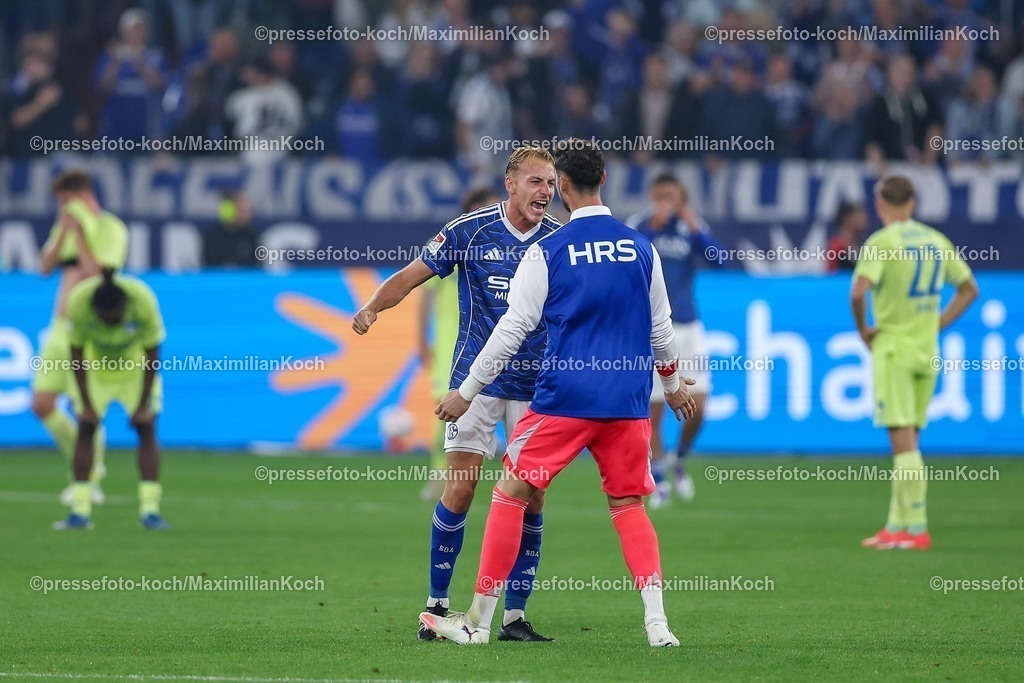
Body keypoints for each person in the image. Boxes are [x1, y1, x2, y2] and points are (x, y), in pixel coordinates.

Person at [422, 138, 697, 647]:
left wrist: (466, 389)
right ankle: (658, 624)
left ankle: (478, 622)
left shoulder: (547, 250)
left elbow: (511, 331)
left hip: (564, 399)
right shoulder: (641, 247)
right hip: (628, 403)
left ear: (564, 187)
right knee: (628, 505)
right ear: (605, 181)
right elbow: (662, 328)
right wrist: (674, 387)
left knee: (510, 492)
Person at [352, 147, 560, 642]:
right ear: (510, 185)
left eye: (550, 183)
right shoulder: (469, 230)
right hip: (474, 386)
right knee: (461, 489)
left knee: (531, 497)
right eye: (535, 182)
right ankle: (437, 604)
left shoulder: (560, 239)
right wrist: (373, 307)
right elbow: (411, 274)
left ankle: (514, 616)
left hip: (535, 388)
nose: (545, 192)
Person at [851, 175, 979, 551]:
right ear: (914, 202)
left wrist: (863, 329)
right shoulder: (935, 241)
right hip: (927, 350)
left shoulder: (882, 242)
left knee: (902, 444)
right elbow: (970, 288)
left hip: (894, 349)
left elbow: (858, 291)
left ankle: (917, 528)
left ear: (880, 204)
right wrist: (937, 322)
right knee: (911, 440)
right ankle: (896, 525)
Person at [33, 170, 129, 506]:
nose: (63, 209)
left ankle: (88, 476)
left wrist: (82, 234)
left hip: (90, 330)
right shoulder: (65, 227)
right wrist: (63, 237)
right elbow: (44, 267)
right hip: (59, 327)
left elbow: (101, 276)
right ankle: (86, 465)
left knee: (85, 408)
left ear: (83, 195)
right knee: (42, 404)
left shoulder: (112, 229)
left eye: (65, 201)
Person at [629, 173, 724, 506]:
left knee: (698, 406)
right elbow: (626, 265)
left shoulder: (690, 228)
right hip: (652, 329)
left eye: (671, 196)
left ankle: (679, 457)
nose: (665, 202)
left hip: (687, 327)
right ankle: (658, 477)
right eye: (660, 195)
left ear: (682, 198)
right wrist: (652, 227)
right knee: (654, 409)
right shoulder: (640, 226)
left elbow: (720, 260)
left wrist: (696, 228)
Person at [54, 269, 169, 531]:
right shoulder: (80, 302)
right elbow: (76, 353)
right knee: (86, 428)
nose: (110, 324)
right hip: (95, 368)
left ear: (125, 306)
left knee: (147, 428)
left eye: (115, 319)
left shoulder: (143, 300)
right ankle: (80, 511)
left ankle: (150, 512)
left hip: (135, 368)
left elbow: (152, 354)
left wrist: (142, 406)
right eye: (104, 320)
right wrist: (87, 404)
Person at [417, 186, 500, 502]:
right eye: (489, 207)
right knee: (445, 409)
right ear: (474, 208)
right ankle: (442, 474)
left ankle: (508, 476)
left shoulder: (501, 246)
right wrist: (420, 340)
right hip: (451, 344)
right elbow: (424, 294)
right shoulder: (448, 242)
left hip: (491, 343)